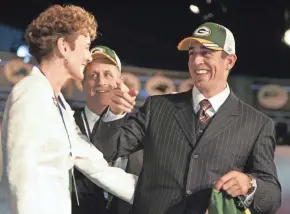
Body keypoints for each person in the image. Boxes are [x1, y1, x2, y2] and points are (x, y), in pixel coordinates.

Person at [92, 22, 281, 214]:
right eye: (192, 53)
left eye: (206, 52)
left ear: (229, 61)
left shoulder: (257, 124)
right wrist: (114, 112)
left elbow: (272, 196)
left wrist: (249, 183)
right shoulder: (157, 107)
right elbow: (108, 149)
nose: (196, 61)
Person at [0, 5, 137, 214]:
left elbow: (96, 166)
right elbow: (21, 178)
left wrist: (158, 194)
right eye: (85, 46)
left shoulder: (60, 106)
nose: (88, 56)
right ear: (64, 47)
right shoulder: (30, 94)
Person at [72, 45, 142, 214]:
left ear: (120, 81)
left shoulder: (140, 126)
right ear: (82, 83)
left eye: (108, 75)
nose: (101, 82)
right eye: (93, 75)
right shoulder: (67, 123)